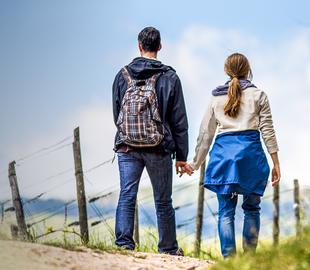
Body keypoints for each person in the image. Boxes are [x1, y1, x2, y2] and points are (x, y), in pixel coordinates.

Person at [184, 53, 281, 258]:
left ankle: (229, 261)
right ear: (248, 71)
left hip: (223, 158)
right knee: (252, 209)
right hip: (251, 157)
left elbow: (205, 134)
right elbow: (268, 131)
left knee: (226, 211)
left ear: (227, 71)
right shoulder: (259, 95)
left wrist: (195, 163)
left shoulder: (216, 97)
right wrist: (276, 163)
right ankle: (248, 261)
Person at [112, 26, 189, 255]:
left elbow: (117, 113)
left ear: (139, 45)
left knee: (127, 194)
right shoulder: (170, 77)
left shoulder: (122, 75)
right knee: (163, 201)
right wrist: (181, 156)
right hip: (159, 148)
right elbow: (179, 121)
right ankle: (167, 248)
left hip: (127, 146)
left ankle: (124, 244)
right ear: (160, 46)